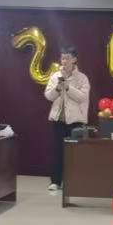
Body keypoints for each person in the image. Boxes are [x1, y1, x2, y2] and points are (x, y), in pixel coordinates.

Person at [44, 46, 90, 191]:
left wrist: (68, 87)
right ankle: (55, 181)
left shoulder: (82, 78)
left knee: (74, 153)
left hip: (75, 121)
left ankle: (73, 182)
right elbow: (48, 96)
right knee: (58, 151)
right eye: (62, 58)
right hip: (58, 120)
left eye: (67, 58)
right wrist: (58, 87)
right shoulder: (55, 76)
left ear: (74, 59)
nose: (64, 61)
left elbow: (82, 97)